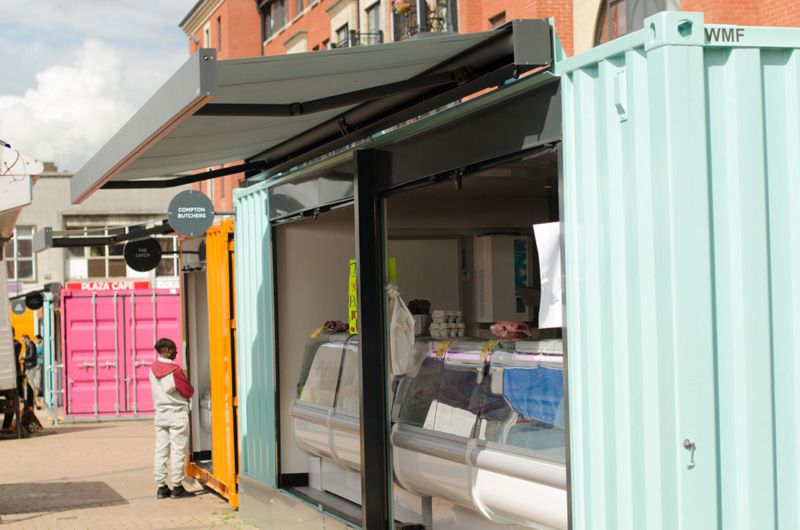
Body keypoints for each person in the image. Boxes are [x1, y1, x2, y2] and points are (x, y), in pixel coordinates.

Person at [149, 338, 196, 499]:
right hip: (177, 416)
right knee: (178, 452)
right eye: (174, 349)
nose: (176, 352)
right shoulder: (175, 371)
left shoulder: (152, 368)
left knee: (161, 451)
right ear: (168, 351)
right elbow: (188, 391)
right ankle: (177, 487)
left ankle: (161, 487)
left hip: (160, 415)